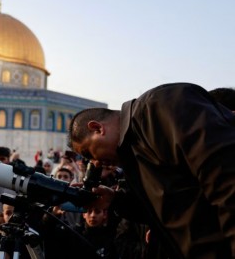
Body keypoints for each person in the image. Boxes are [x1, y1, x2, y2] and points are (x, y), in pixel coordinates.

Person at [67, 82, 235, 259]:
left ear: (97, 128)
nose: (96, 163)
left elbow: (225, 176)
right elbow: (176, 207)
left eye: (89, 153)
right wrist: (114, 200)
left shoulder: (158, 107)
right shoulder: (135, 153)